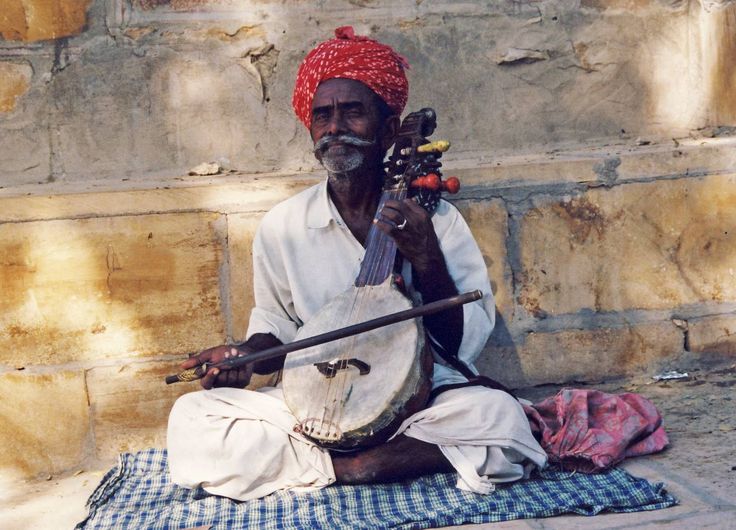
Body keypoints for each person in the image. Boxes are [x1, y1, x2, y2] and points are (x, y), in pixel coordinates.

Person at [167, 26, 546, 501]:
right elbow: (276, 328)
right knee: (192, 420)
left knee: (499, 417)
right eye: (322, 115)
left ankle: (336, 467)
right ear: (311, 130)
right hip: (313, 398)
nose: (335, 127)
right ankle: (361, 466)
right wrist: (245, 355)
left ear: (390, 131)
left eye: (353, 112)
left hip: (418, 399)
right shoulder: (283, 226)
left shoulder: (437, 220)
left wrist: (426, 256)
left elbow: (459, 345)